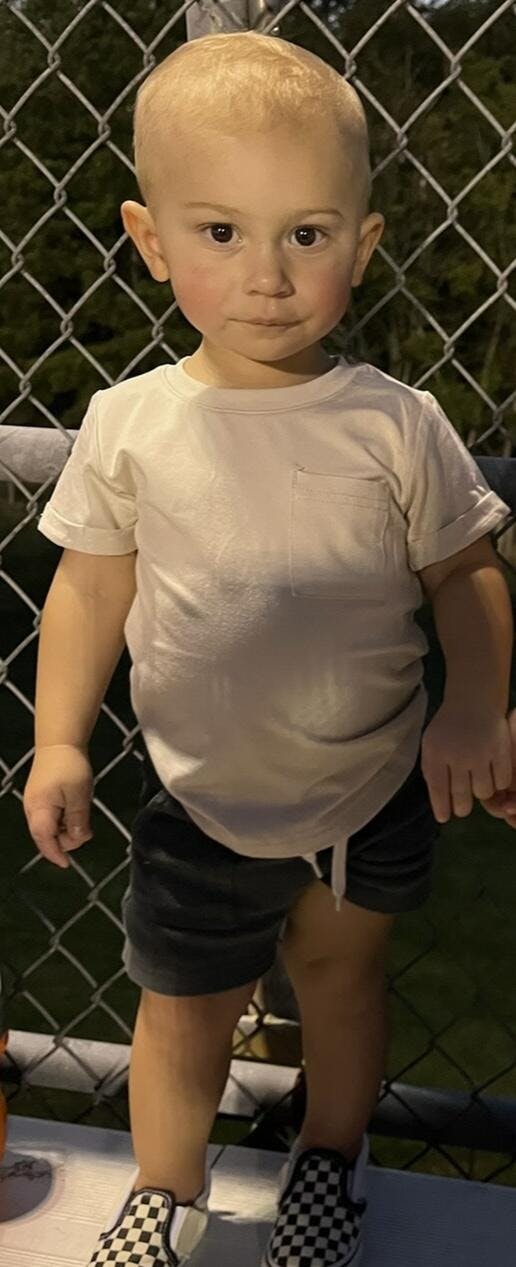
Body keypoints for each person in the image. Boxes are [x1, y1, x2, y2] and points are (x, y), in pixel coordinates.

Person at [23, 31, 515, 1267]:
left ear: (365, 241)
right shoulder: (130, 421)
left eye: (306, 233)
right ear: (149, 240)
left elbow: (467, 574)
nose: (269, 276)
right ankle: (165, 1190)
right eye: (220, 231)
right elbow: (88, 589)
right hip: (200, 797)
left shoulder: (396, 423)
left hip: (368, 792)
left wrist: (475, 706)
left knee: (343, 987)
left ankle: (330, 1164)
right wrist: (58, 739)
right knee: (181, 1011)